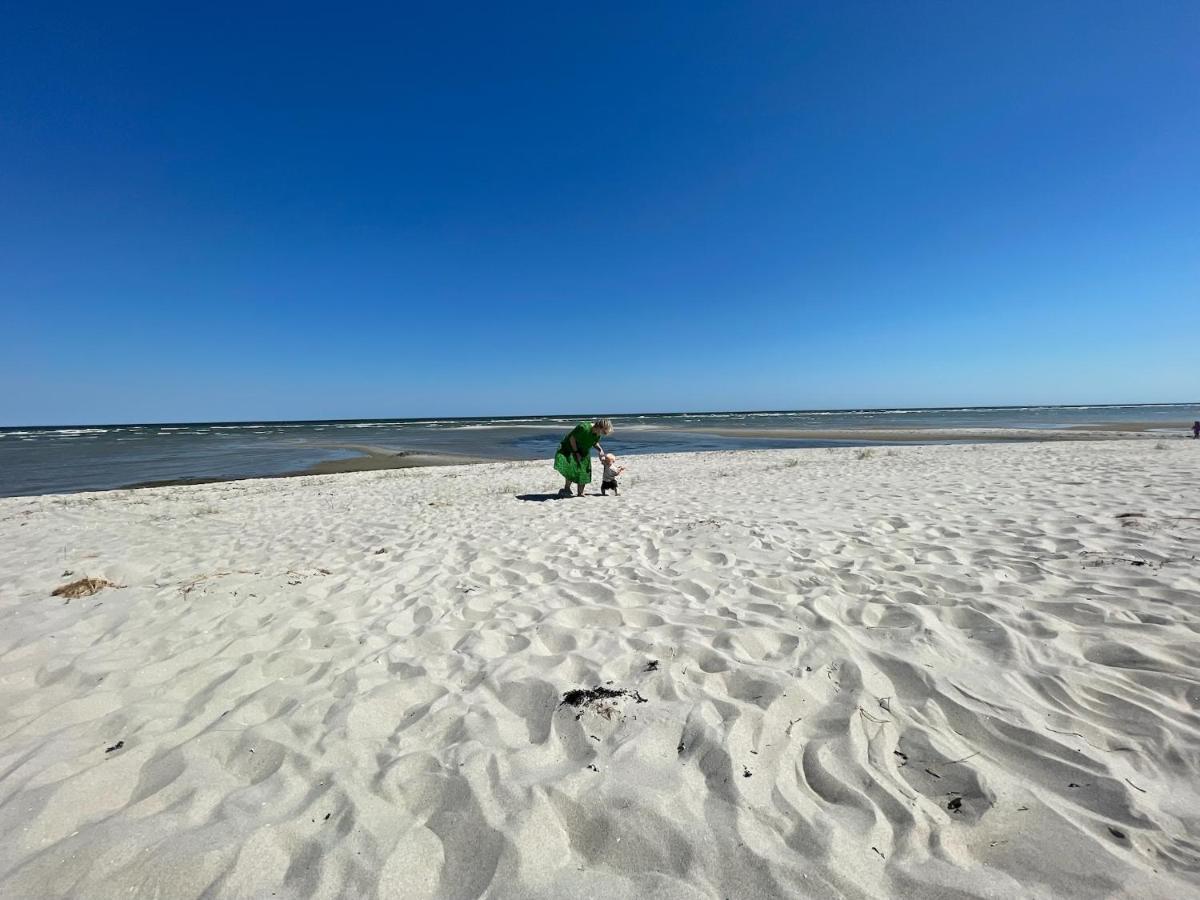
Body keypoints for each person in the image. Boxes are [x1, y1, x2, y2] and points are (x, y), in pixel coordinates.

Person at [554, 418, 612, 496]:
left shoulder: (597, 434)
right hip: (570, 448)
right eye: (604, 432)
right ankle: (566, 488)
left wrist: (600, 450)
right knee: (572, 468)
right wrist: (576, 452)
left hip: (584, 451)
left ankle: (580, 493)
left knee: (585, 471)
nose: (603, 434)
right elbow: (572, 438)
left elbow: (594, 442)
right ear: (599, 427)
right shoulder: (583, 427)